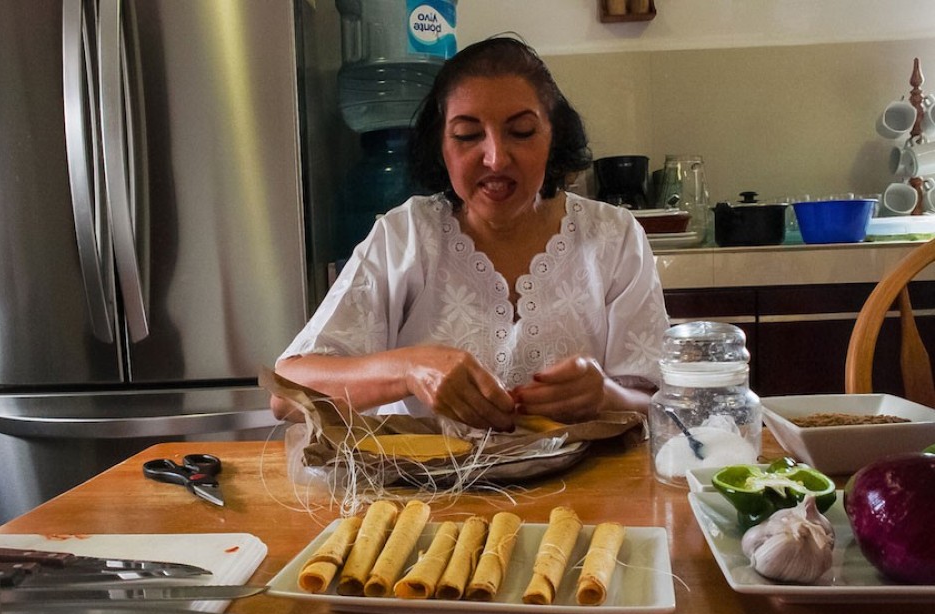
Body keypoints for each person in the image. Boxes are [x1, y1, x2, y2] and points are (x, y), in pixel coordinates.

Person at [271, 36, 668, 431]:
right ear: (441, 147)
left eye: (522, 131)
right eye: (467, 135)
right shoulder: (405, 236)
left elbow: (663, 403)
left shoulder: (614, 237)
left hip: (589, 492)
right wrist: (408, 369)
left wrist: (605, 396)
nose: (495, 158)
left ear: (554, 138)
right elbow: (286, 394)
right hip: (427, 493)